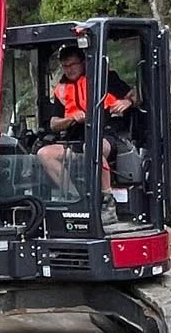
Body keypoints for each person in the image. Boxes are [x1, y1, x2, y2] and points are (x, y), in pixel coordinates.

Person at [37, 46, 133, 223]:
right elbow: (53, 123)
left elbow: (135, 94)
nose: (69, 69)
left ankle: (107, 202)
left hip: (108, 136)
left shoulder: (105, 78)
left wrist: (128, 101)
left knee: (93, 147)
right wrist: (71, 119)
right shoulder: (61, 89)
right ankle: (76, 198)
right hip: (77, 139)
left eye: (73, 64)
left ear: (83, 63)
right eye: (65, 66)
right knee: (44, 154)